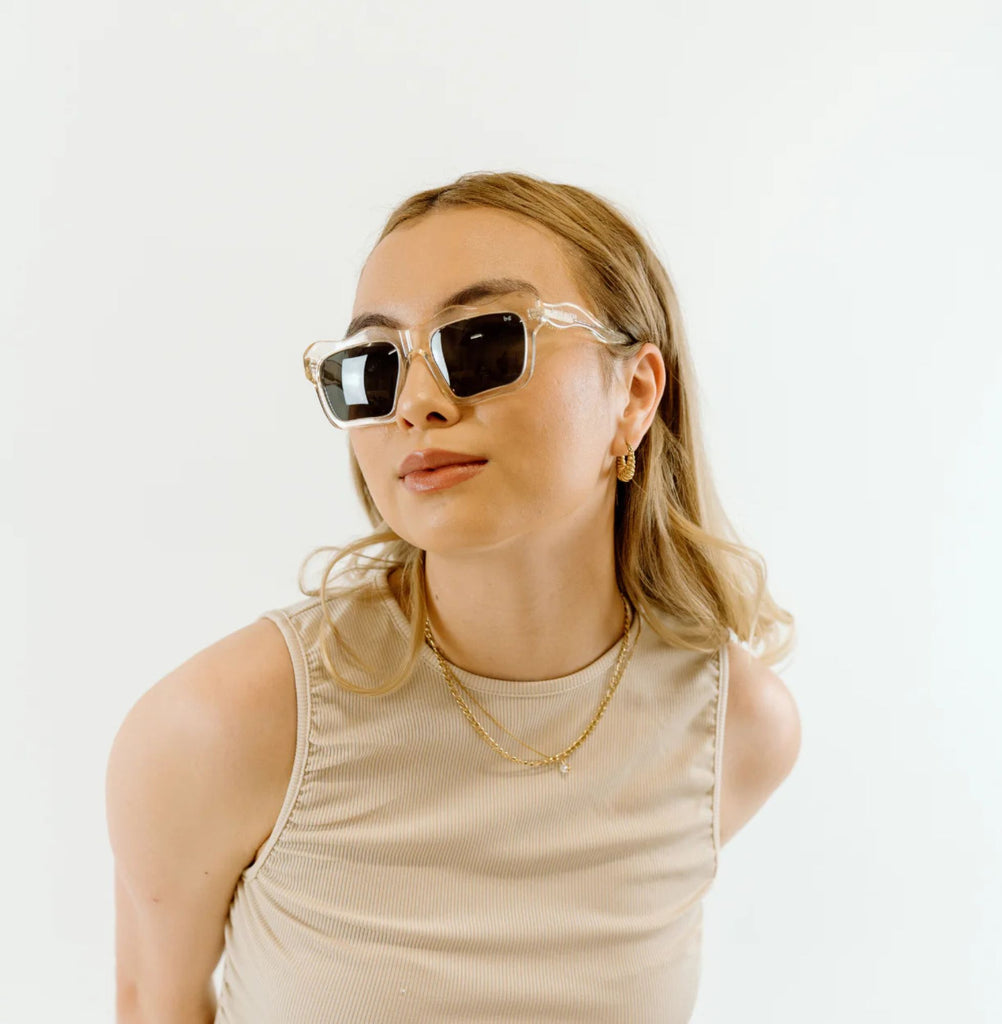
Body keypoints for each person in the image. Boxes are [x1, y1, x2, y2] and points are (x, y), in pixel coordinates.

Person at [106, 170, 801, 1023]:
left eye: (482, 345)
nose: (417, 404)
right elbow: (152, 1005)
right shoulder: (225, 728)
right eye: (373, 366)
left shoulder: (737, 728)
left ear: (635, 394)